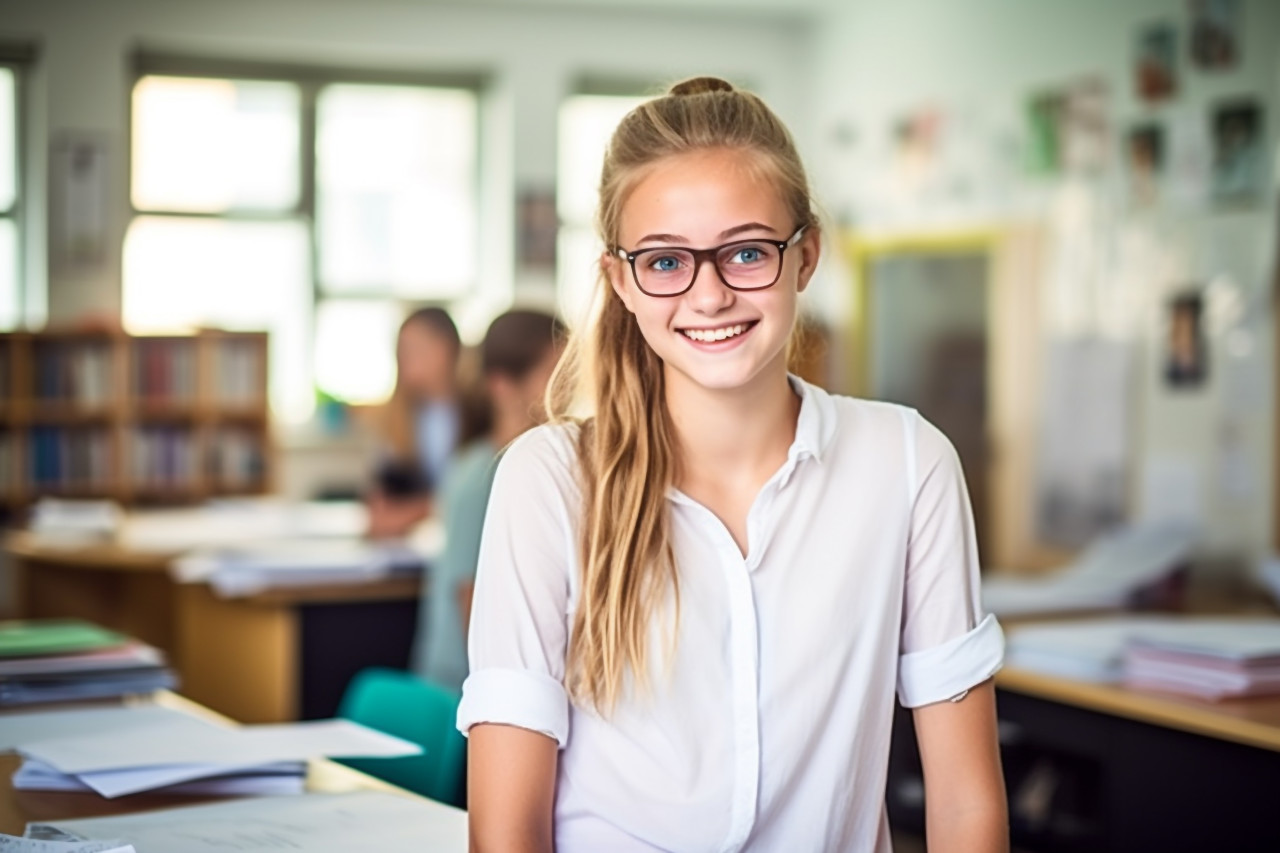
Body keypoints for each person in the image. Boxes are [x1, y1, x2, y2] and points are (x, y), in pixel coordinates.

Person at [459, 77, 1008, 852]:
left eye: (747, 252)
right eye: (665, 261)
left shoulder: (908, 461)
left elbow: (964, 809)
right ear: (622, 280)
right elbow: (508, 832)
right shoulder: (546, 478)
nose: (709, 294)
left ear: (805, 256)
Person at [416, 308, 566, 691]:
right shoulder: (480, 475)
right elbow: (471, 604)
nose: (567, 389)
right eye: (554, 375)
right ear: (502, 385)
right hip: (466, 689)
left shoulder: (538, 465)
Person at [366, 307, 482, 539]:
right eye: (401, 352)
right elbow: (381, 506)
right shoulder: (399, 421)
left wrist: (418, 510)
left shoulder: (479, 415)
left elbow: (476, 497)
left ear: (444, 350)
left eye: (412, 350)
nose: (403, 360)